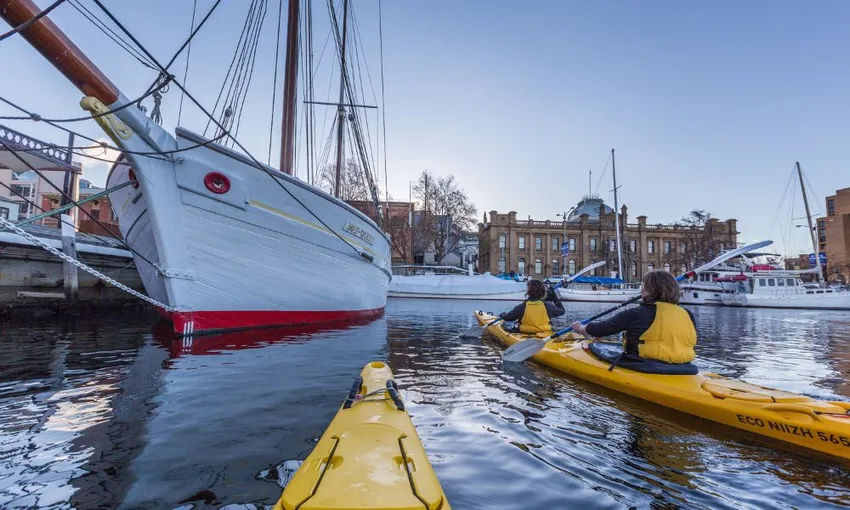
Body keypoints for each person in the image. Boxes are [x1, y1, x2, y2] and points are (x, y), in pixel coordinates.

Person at [570, 270, 697, 364]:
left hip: (644, 365)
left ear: (652, 290)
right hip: (684, 366)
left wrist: (581, 329)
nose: (641, 290)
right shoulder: (687, 314)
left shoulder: (636, 314)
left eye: (644, 286)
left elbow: (602, 328)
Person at [499, 280, 565, 334]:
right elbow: (562, 311)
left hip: (525, 333)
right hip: (545, 333)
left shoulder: (522, 307)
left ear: (528, 292)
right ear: (543, 293)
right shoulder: (548, 306)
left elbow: (508, 318)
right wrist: (554, 297)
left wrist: (503, 315)